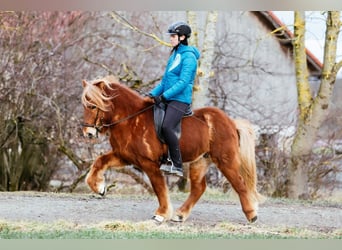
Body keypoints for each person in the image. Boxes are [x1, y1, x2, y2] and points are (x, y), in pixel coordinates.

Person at [148, 21, 200, 177]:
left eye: (173, 36)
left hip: (180, 100)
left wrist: (164, 96)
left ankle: (177, 165)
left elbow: (183, 82)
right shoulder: (175, 55)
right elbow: (165, 81)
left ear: (182, 37)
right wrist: (152, 94)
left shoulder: (189, 57)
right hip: (169, 97)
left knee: (167, 126)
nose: (171, 38)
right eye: (171, 36)